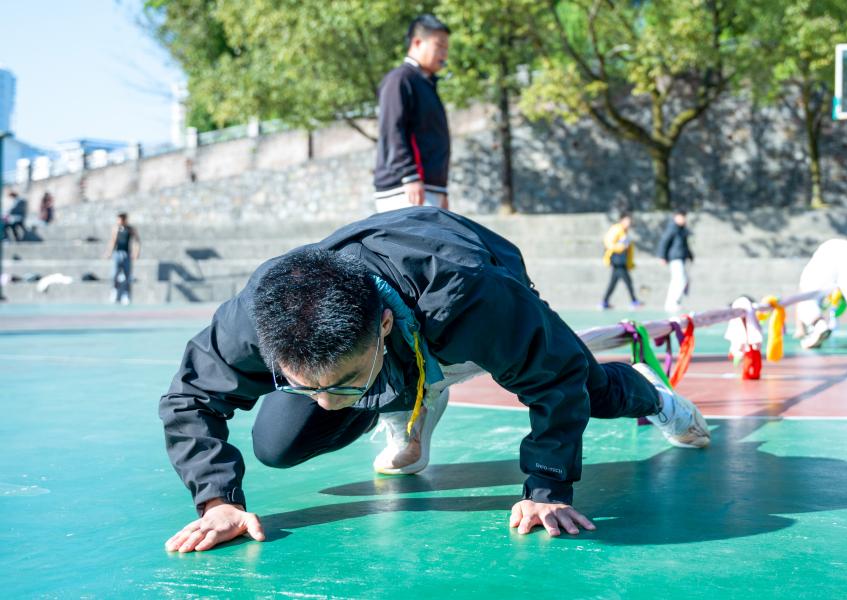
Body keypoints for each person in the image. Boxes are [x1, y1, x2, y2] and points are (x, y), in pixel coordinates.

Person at [160, 207, 711, 553]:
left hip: (465, 285)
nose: (325, 405)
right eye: (305, 385)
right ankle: (409, 400)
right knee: (278, 444)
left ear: (382, 328)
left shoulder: (474, 300)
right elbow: (190, 396)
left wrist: (547, 487)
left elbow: (556, 378)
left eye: (342, 383)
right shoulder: (256, 317)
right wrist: (217, 500)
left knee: (589, 390)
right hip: (394, 330)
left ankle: (654, 397)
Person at [373, 15, 451, 213]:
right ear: (417, 43)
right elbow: (392, 130)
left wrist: (442, 191)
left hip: (427, 188)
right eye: (439, 46)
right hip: (405, 189)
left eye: (446, 48)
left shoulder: (425, 83)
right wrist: (409, 176)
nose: (444, 54)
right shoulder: (400, 79)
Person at [599, 212, 641, 310]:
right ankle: (634, 301)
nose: (629, 223)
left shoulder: (624, 231)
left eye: (629, 221)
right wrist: (621, 247)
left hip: (622, 261)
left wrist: (630, 263)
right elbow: (608, 243)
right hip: (617, 260)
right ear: (622, 220)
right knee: (628, 281)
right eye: (627, 220)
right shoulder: (616, 229)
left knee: (613, 283)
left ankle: (604, 301)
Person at [657, 210, 694, 314]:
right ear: (676, 217)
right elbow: (664, 242)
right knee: (679, 280)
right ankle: (672, 303)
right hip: (675, 258)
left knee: (680, 280)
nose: (684, 219)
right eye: (682, 217)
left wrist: (690, 255)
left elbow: (684, 245)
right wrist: (662, 256)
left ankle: (674, 303)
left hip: (681, 258)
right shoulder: (672, 228)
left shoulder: (682, 230)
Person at [104, 212, 140, 305]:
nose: (118, 221)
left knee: (127, 275)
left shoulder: (130, 229)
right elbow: (113, 241)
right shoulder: (116, 229)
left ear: (124, 220)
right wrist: (109, 252)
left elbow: (137, 240)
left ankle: (126, 294)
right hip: (117, 253)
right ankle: (114, 291)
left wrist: (136, 252)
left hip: (127, 254)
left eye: (120, 219)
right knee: (114, 274)